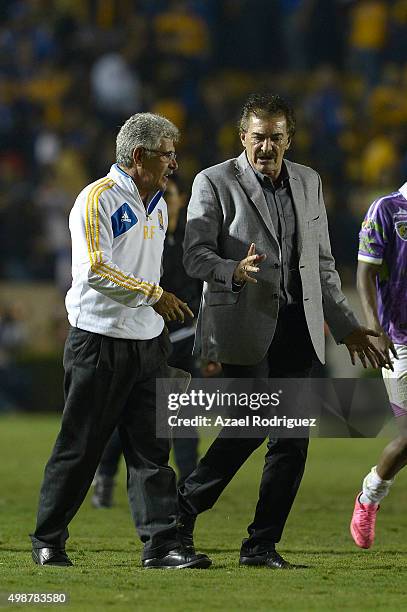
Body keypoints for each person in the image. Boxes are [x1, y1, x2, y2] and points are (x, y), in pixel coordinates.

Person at [177, 93, 389, 569]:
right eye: (258, 137)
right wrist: (232, 269)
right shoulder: (213, 182)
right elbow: (194, 254)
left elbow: (322, 266)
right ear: (242, 137)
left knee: (291, 441)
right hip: (243, 326)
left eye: (275, 137)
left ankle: (260, 546)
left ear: (289, 138)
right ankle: (179, 511)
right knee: (249, 429)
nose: (266, 147)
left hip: (300, 328)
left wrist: (348, 326)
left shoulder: (310, 182)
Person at [30, 112, 211, 570]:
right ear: (138, 156)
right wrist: (154, 294)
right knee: (81, 447)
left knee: (153, 450)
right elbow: (95, 270)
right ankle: (48, 539)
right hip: (100, 341)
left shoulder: (156, 201)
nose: (174, 162)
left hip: (148, 343)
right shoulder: (98, 199)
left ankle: (161, 546)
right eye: (166, 153)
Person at [91, 177, 202, 508]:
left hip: (184, 341)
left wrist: (207, 340)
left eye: (168, 194)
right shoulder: (143, 237)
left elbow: (203, 292)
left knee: (181, 417)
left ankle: (188, 488)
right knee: (131, 414)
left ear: (180, 199)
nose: (163, 200)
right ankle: (106, 474)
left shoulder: (191, 243)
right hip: (146, 337)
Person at [350, 182, 407, 549]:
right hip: (401, 339)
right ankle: (371, 493)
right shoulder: (387, 209)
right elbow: (365, 272)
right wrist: (373, 328)